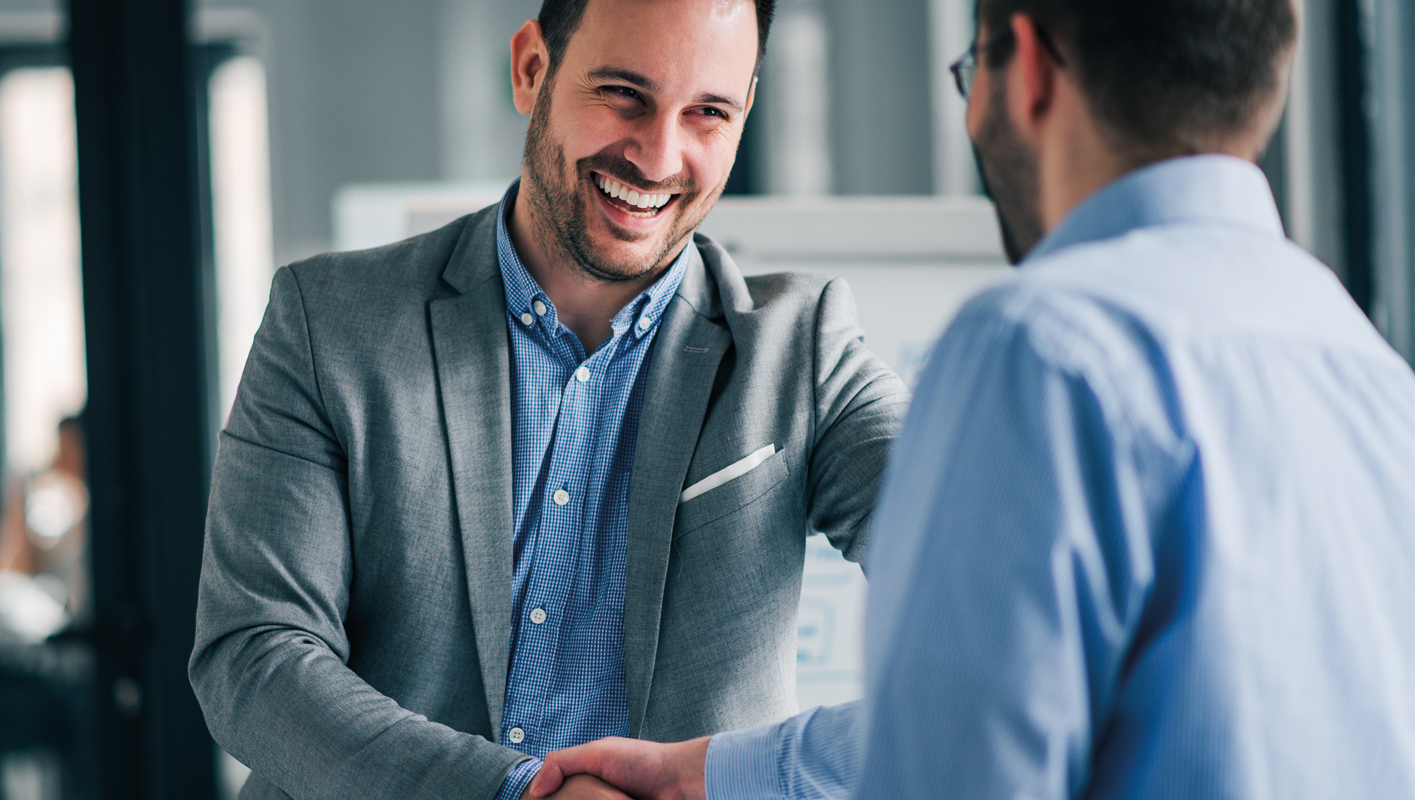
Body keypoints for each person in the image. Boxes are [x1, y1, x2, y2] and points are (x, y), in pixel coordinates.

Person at [526, 0, 1415, 797]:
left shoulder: (1042, 347)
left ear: (1023, 64)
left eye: (970, 71)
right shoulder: (1375, 377)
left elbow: (959, 763)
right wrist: (715, 775)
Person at [189, 0, 911, 798]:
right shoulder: (329, 321)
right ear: (532, 68)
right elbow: (254, 655)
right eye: (623, 95)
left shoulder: (801, 353)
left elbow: (1007, 600)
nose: (659, 155)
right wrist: (517, 793)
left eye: (708, 112)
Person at [0, 414, 91, 622]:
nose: (67, 455)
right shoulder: (56, 508)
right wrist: (18, 502)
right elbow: (7, 571)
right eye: (64, 446)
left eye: (74, 446)